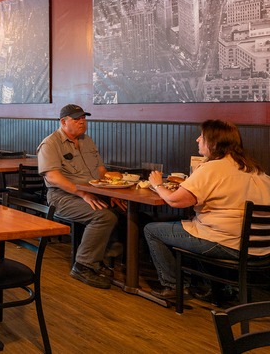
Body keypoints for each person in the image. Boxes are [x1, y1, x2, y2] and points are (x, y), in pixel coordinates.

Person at [143, 119, 270, 299]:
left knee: (152, 230)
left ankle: (175, 286)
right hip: (261, 249)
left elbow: (175, 201)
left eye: (201, 136)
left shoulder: (213, 167)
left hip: (227, 244)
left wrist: (157, 185)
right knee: (198, 225)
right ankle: (219, 287)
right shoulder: (255, 168)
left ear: (214, 142)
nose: (197, 140)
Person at [37, 104, 123, 289]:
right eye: (77, 119)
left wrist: (111, 192)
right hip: (61, 197)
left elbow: (101, 170)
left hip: (92, 193)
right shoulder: (50, 143)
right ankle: (83, 265)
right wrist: (82, 193)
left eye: (84, 118)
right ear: (63, 121)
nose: (82, 121)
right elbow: (53, 177)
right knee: (104, 216)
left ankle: (102, 259)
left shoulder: (87, 140)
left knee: (125, 212)